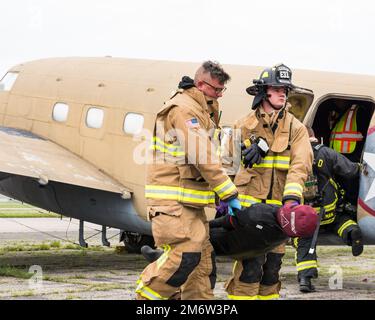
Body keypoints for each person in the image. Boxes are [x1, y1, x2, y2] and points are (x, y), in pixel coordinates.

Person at [135, 61, 240, 300]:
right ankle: (144, 299)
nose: (219, 95)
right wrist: (229, 193)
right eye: (216, 89)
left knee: (201, 265)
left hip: (189, 202)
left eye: (222, 90)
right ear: (201, 84)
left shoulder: (202, 108)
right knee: (184, 258)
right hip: (173, 202)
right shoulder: (183, 109)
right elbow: (201, 154)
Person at [224, 63, 313, 300]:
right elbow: (226, 166)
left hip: (279, 212)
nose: (283, 93)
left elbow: (300, 165)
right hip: (248, 211)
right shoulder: (243, 126)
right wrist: (225, 202)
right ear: (264, 91)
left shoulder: (297, 128)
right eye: (277, 88)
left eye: (285, 89)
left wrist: (292, 200)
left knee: (272, 269)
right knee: (250, 268)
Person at [295, 127, 364, 293]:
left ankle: (305, 279)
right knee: (342, 219)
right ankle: (351, 231)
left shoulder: (293, 154)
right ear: (314, 136)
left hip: (307, 214)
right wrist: (361, 166)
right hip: (329, 210)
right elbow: (350, 170)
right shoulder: (326, 153)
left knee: (304, 241)